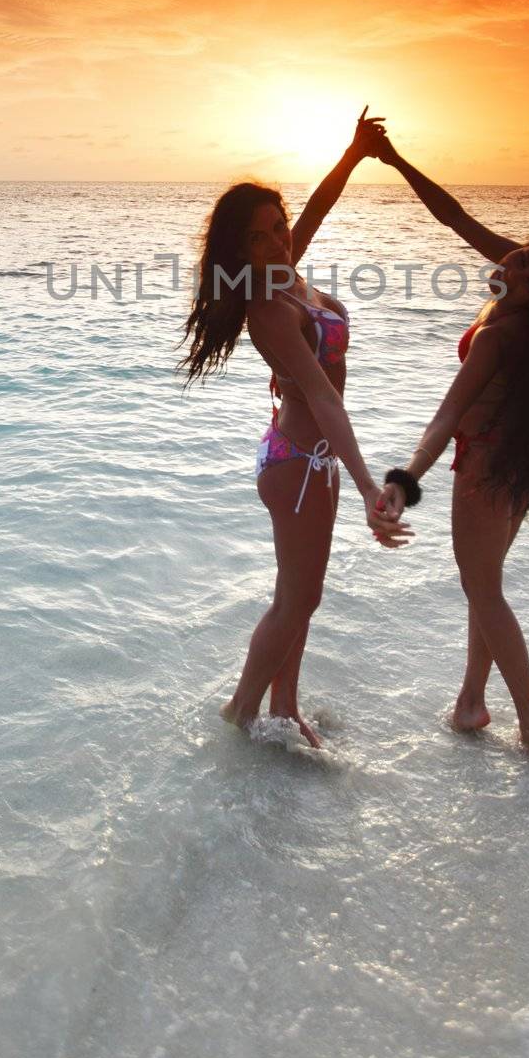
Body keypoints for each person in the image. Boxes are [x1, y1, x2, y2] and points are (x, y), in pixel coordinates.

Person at [372, 130, 529, 755]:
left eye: (527, 268)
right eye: (522, 254)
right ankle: (471, 703)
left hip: (482, 466)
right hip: (520, 465)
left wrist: (403, 480)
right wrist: (396, 161)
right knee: (487, 581)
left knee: (483, 588)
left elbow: (448, 414)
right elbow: (455, 217)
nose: (508, 265)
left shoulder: (500, 336)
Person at [177, 107, 412, 748]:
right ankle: (238, 716)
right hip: (300, 465)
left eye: (279, 228)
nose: (278, 241)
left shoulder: (288, 269)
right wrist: (370, 487)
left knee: (302, 596)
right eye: (259, 238)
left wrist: (354, 153)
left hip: (310, 460)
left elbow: (320, 208)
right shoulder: (267, 309)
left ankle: (284, 707)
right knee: (296, 601)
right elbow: (322, 397)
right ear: (238, 250)